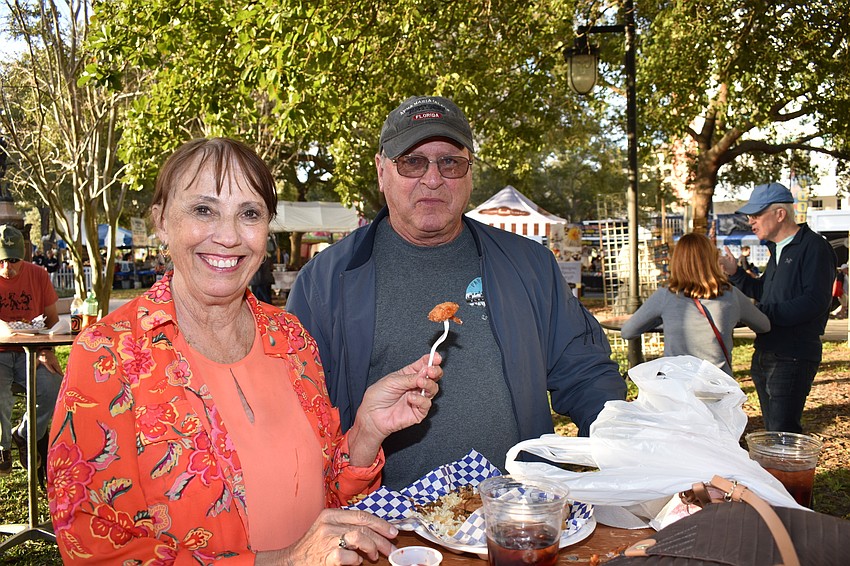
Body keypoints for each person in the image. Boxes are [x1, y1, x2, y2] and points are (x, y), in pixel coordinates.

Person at [47, 138, 443, 564]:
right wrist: (287, 561)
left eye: (249, 214)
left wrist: (367, 430)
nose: (229, 236)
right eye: (204, 210)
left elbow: (326, 496)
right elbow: (96, 549)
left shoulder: (290, 338)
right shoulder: (108, 355)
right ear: (161, 221)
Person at [287, 95, 626, 490]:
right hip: (384, 530)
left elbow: (586, 373)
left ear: (469, 173)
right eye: (412, 162)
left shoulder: (531, 266)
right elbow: (299, 418)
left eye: (450, 162)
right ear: (382, 171)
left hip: (512, 518)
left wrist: (619, 450)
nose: (432, 179)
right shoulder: (324, 283)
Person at [718, 182, 835, 433]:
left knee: (783, 433)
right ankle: (778, 473)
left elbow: (815, 302)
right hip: (766, 351)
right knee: (774, 432)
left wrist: (760, 315)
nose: (751, 221)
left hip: (792, 355)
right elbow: (764, 293)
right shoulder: (777, 249)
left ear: (780, 214)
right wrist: (736, 274)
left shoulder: (814, 247)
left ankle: (787, 474)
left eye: (757, 214)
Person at [621, 233, 770, 375]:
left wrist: (663, 320)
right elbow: (764, 325)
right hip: (718, 388)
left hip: (678, 388)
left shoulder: (665, 295)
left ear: (677, 261)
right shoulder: (731, 295)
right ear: (712, 260)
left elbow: (627, 332)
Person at [0, 225, 63, 475]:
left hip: (33, 349)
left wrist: (46, 348)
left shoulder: (38, 275)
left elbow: (52, 320)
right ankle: (2, 447)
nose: (7, 267)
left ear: (23, 257)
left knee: (52, 385)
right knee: (1, 396)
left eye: (13, 260)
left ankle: (25, 435)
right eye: (2, 261)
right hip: (1, 354)